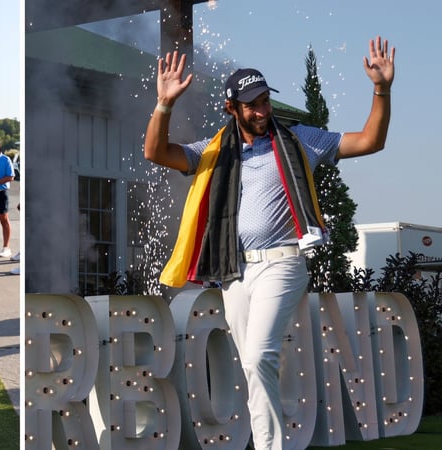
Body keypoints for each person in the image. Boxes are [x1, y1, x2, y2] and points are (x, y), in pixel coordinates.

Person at [144, 37, 394, 450]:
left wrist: (380, 89)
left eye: (265, 101)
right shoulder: (212, 151)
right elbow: (155, 151)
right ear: (232, 108)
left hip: (284, 262)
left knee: (259, 356)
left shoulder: (302, 140)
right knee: (252, 365)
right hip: (234, 270)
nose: (262, 110)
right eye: (252, 104)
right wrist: (164, 104)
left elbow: (370, 140)